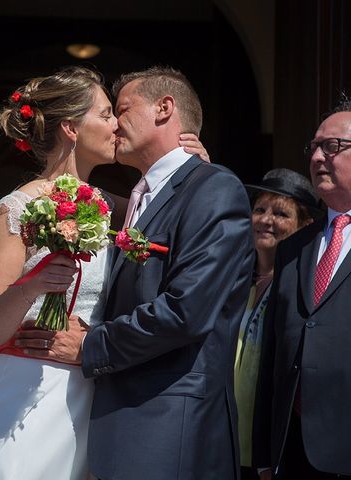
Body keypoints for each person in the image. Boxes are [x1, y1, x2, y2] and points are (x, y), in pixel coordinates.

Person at [0, 66, 209, 480]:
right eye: (104, 114)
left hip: (95, 395)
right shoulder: (15, 209)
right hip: (26, 393)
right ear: (70, 128)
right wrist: (32, 285)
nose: (116, 124)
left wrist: (195, 173)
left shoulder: (118, 208)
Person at [25, 66, 255, 480]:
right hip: (108, 420)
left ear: (164, 108)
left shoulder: (214, 188)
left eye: (123, 109)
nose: (113, 124)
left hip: (169, 426)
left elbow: (187, 310)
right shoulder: (132, 200)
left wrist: (91, 345)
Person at [253, 100, 351, 479]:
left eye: (333, 147)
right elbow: (272, 354)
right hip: (292, 447)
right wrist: (264, 449)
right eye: (314, 147)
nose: (317, 157)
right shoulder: (295, 246)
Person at [236, 168, 322, 479]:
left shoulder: (303, 292)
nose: (266, 220)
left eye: (281, 213)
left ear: (306, 225)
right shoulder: (234, 281)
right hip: (222, 438)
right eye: (259, 209)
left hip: (268, 449)